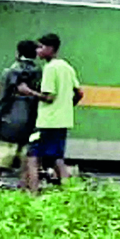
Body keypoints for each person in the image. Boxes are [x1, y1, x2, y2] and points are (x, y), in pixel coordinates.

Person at [24, 33, 80, 192]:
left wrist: (28, 92)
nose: (38, 50)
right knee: (57, 158)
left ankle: (33, 195)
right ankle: (71, 192)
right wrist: (67, 107)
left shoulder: (49, 68)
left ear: (50, 49)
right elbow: (80, 93)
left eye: (41, 47)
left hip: (45, 122)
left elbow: (49, 97)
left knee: (32, 157)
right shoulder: (67, 67)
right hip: (63, 121)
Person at [0, 40, 44, 188]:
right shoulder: (39, 73)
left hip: (8, 123)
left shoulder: (9, 72)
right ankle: (22, 193)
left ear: (18, 53)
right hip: (30, 123)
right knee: (25, 164)